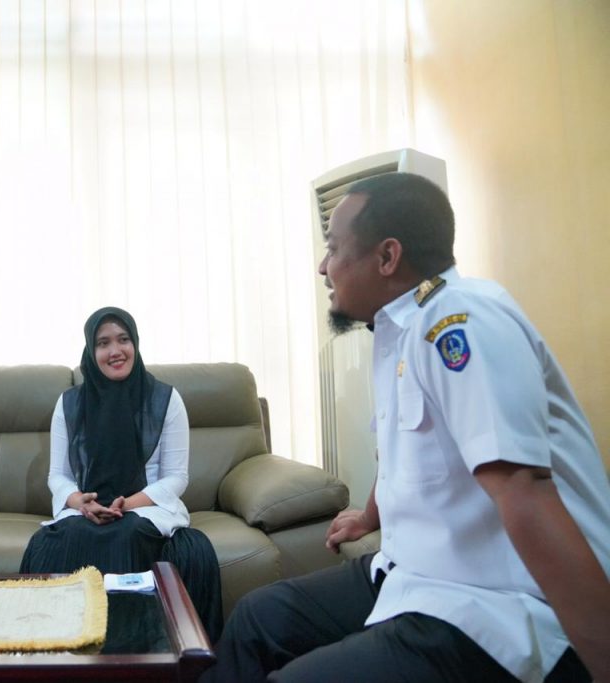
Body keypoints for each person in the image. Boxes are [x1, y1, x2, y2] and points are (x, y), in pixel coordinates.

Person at [203, 173, 610, 682]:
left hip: (496, 604)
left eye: (334, 248)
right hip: (414, 572)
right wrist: (369, 516)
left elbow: (523, 490)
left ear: (387, 257)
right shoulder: (401, 332)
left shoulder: (457, 323)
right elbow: (408, 452)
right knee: (257, 619)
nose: (323, 267)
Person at [19, 306, 223, 640]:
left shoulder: (165, 399)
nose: (115, 350)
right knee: (60, 540)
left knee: (128, 532)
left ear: (135, 343)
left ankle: (133, 652)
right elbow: (58, 476)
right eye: (103, 343)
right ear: (91, 350)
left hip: (146, 507)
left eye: (123, 339)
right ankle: (68, 653)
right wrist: (80, 502)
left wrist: (126, 505)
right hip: (86, 509)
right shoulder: (69, 404)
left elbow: (176, 477)